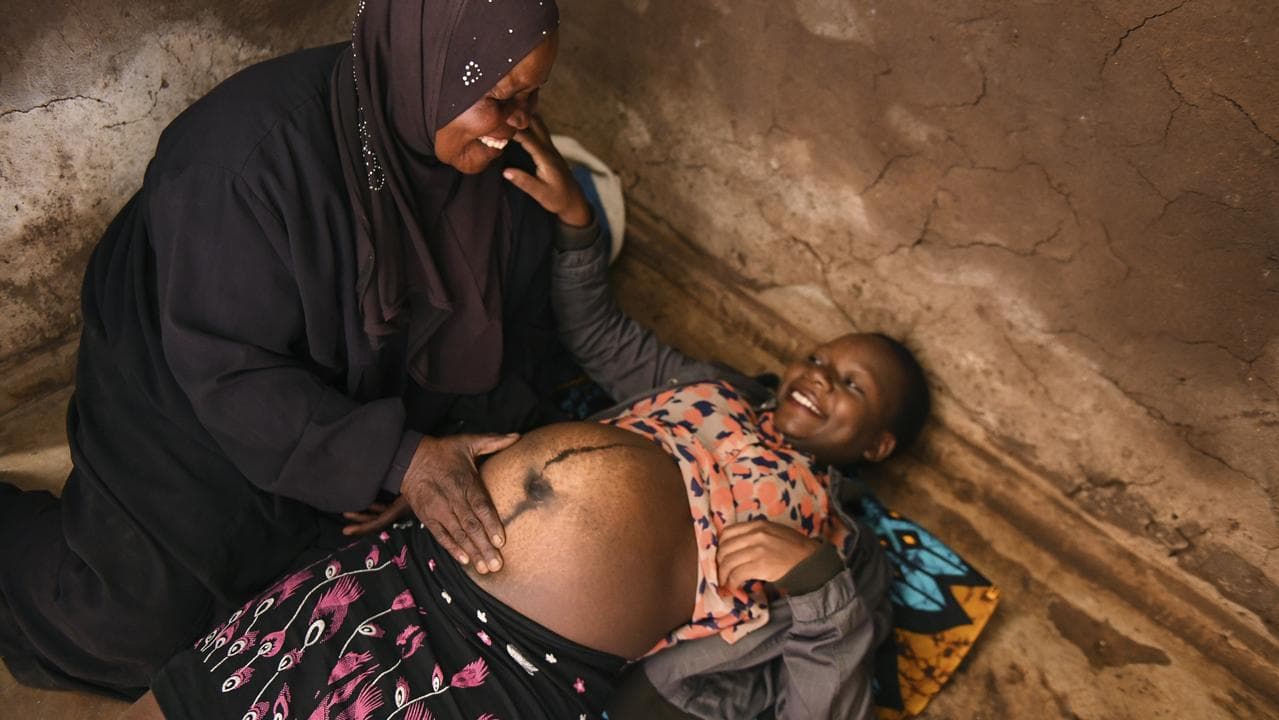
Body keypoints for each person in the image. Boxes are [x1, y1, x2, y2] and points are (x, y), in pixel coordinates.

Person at [118, 169, 930, 718]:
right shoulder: (709, 384)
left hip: (519, 666)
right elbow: (597, 331)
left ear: (883, 446)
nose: (820, 376)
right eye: (821, 357)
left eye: (852, 386)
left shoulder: (842, 552)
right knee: (216, 696)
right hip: (424, 556)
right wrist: (578, 225)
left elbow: (823, 706)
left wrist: (818, 583)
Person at [0, 0, 590, 699]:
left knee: (334, 588)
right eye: (499, 98)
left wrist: (432, 450)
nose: (521, 122)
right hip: (190, 370)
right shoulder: (243, 165)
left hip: (351, 393)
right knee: (134, 621)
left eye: (533, 95)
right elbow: (230, 372)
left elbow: (511, 334)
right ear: (424, 65)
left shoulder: (499, 173)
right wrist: (401, 458)